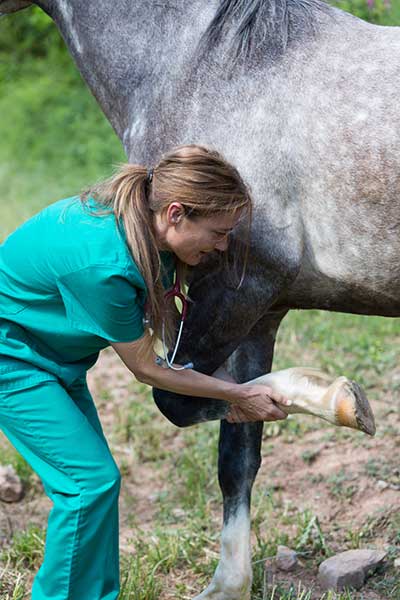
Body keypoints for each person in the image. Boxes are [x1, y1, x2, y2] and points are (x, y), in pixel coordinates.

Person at [0, 144, 288, 599]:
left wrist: (223, 396)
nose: (223, 245)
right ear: (176, 213)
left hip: (57, 358)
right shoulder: (104, 265)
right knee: (86, 485)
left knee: (94, 485)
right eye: (217, 232)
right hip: (12, 361)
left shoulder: (149, 233)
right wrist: (236, 395)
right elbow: (146, 367)